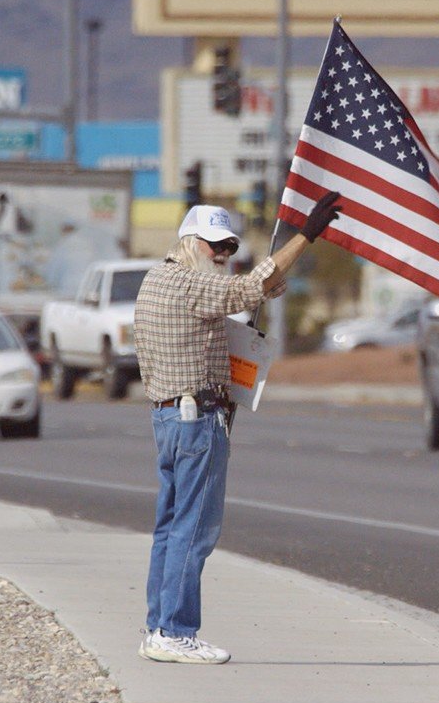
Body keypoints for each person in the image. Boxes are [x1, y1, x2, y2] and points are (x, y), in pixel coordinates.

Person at [133, 192, 342, 664]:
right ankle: (175, 631)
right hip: (196, 420)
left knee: (170, 527)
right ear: (191, 243)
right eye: (215, 246)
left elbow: (244, 292)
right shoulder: (190, 284)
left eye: (229, 246)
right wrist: (305, 236)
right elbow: (246, 288)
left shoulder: (157, 279)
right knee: (194, 530)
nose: (223, 254)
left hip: (169, 417)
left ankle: (158, 628)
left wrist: (262, 288)